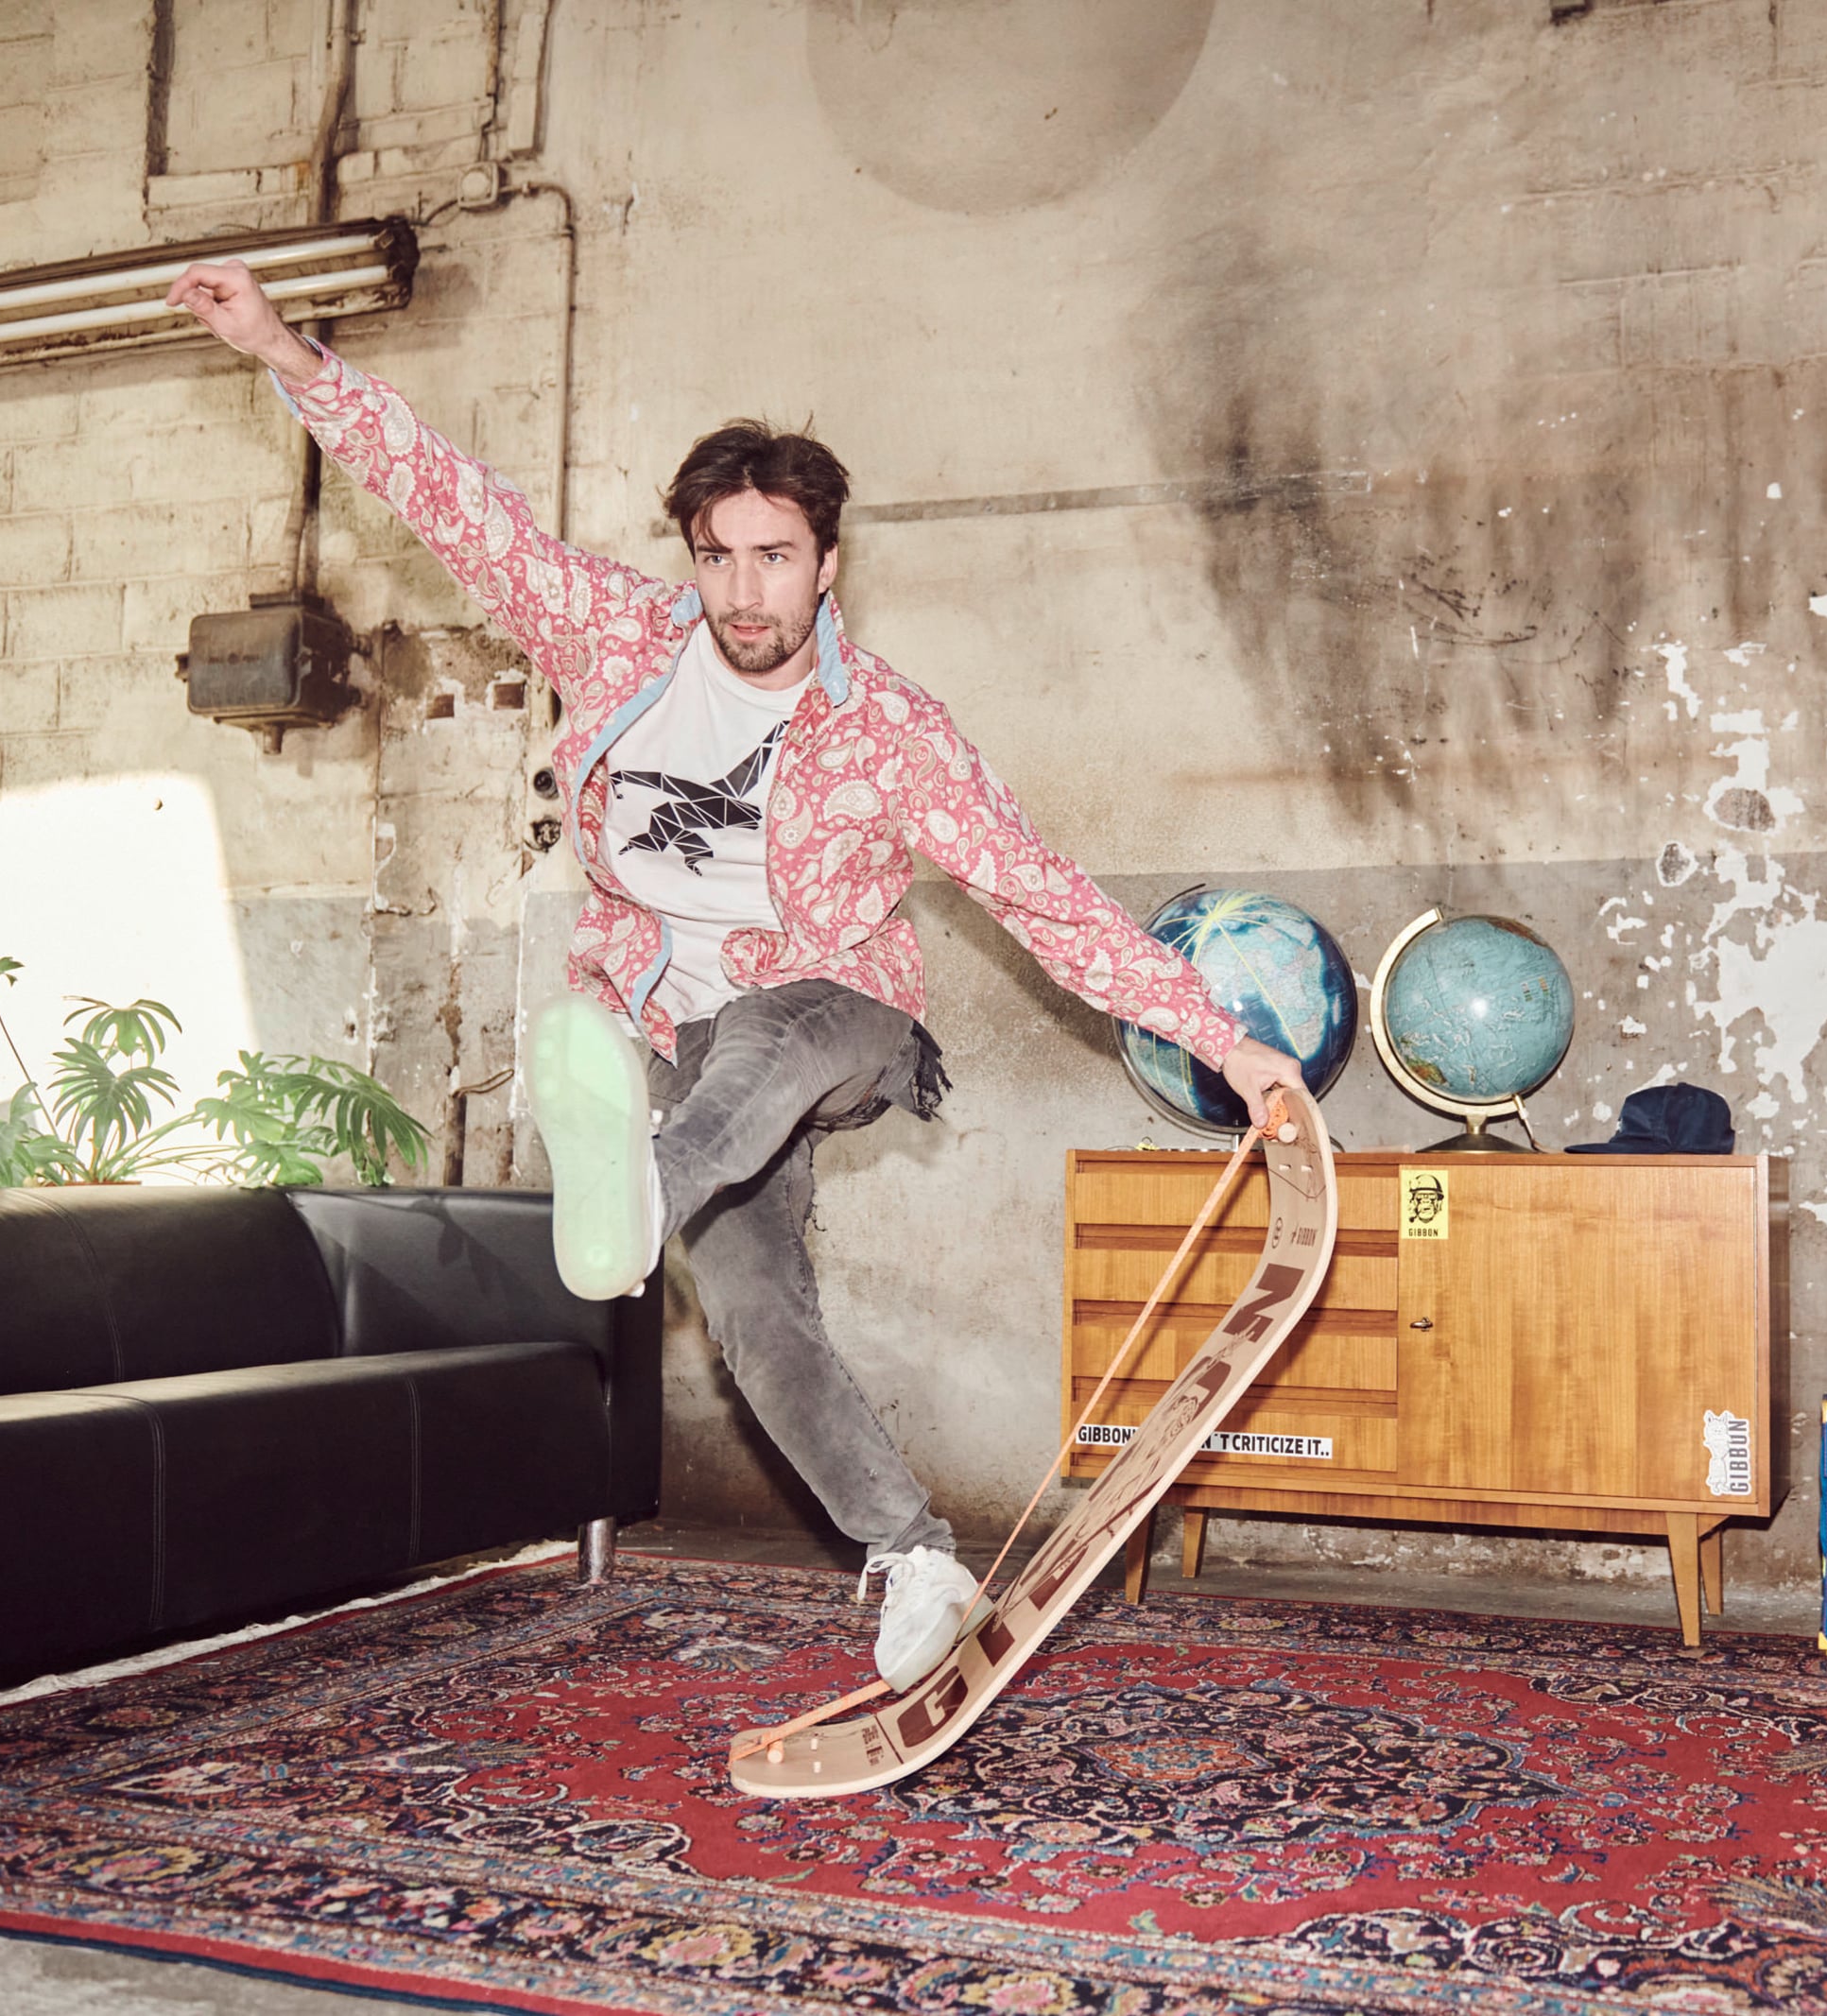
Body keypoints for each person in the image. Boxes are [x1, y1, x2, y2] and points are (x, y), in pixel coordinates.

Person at [165, 259, 1305, 1690]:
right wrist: (285, 349)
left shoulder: (889, 732)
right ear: (691, 558)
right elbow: (455, 506)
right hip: (678, 1041)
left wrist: (1221, 1037)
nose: (743, 591)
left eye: (774, 558)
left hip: (843, 1016)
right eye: (717, 557)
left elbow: (1039, 893)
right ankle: (915, 1557)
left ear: (827, 565)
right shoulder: (615, 636)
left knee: (768, 1027)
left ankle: (639, 1189)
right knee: (758, 1317)